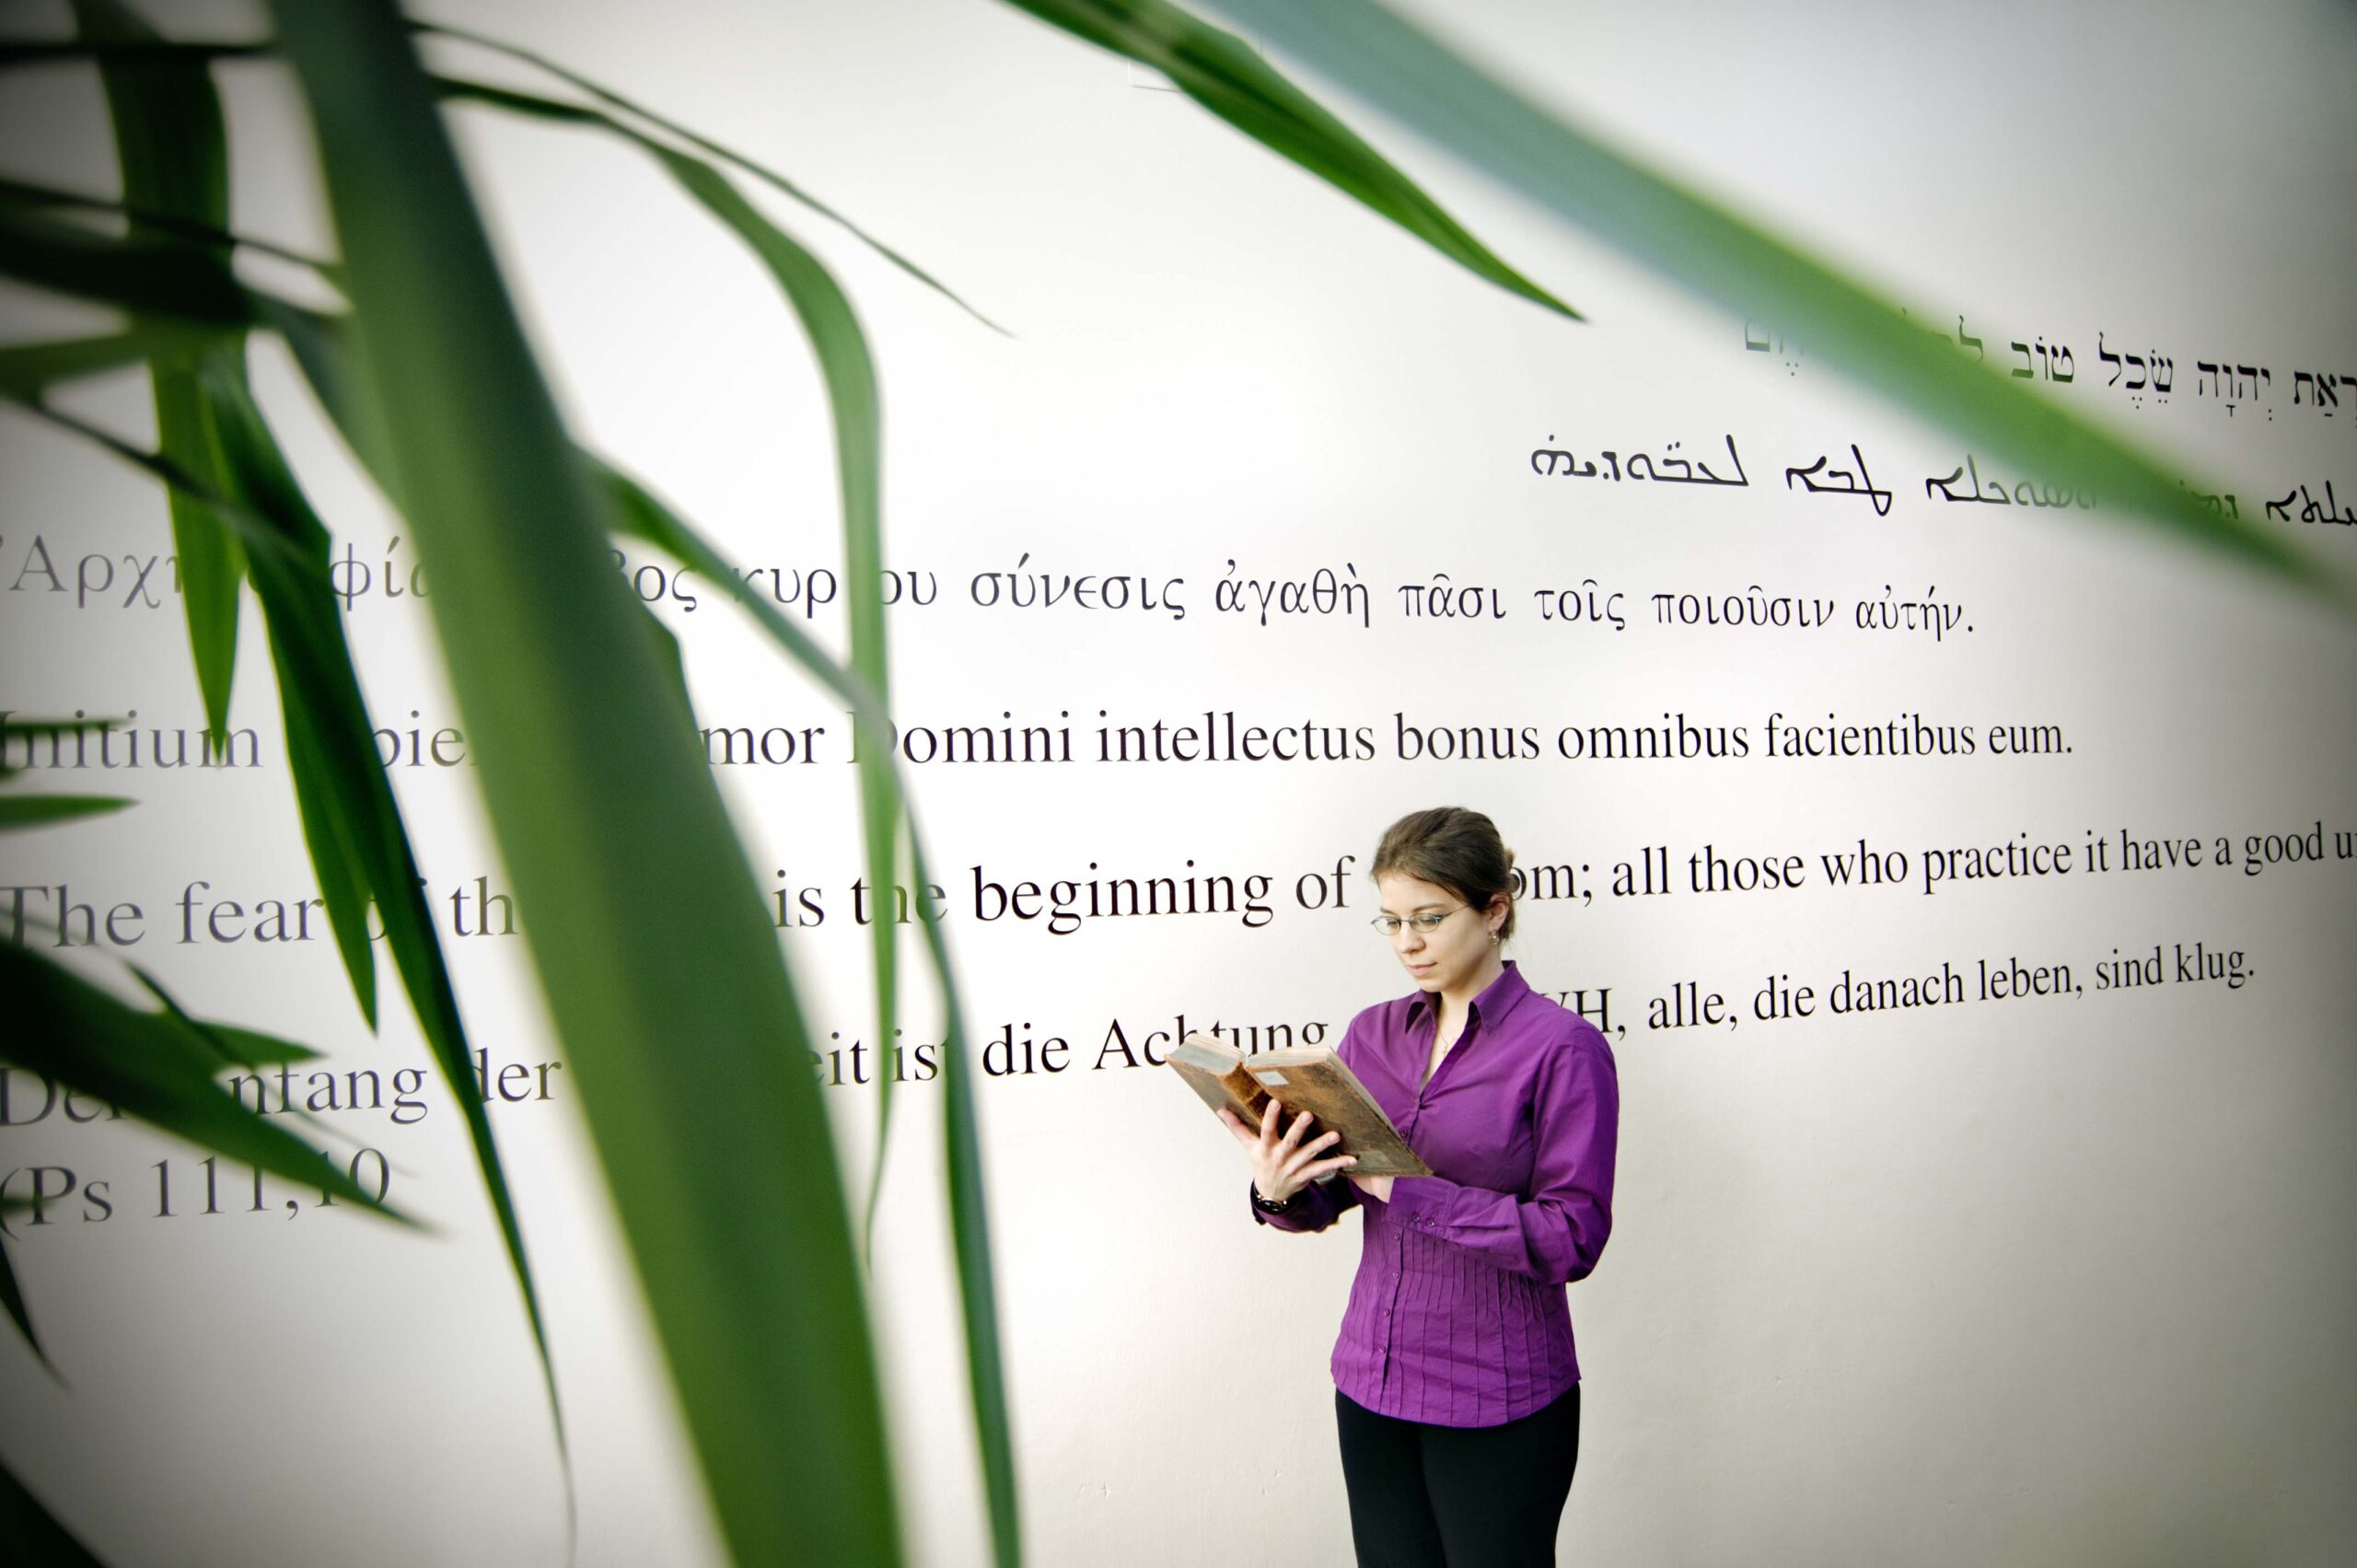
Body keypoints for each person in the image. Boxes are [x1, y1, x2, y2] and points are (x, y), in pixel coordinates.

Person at [1219, 806, 1619, 1568]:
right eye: (1392, 920)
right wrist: (1278, 1188)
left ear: (1495, 909)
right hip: (1370, 1380)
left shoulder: (1565, 1049)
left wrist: (1407, 1189)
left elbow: (1573, 1237)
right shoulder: (1371, 1033)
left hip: (1499, 1397)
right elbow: (1337, 1191)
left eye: (1430, 918)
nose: (1408, 942)